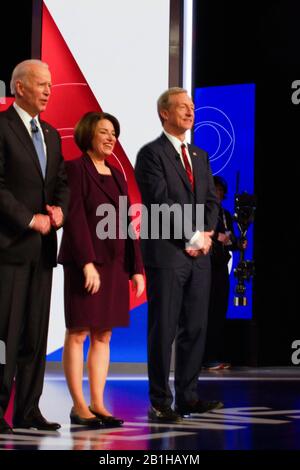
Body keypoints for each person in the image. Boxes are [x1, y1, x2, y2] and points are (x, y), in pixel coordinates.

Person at [135, 87, 223, 422]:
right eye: (182, 107)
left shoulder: (199, 155)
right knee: (164, 329)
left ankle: (188, 397)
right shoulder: (151, 155)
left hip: (199, 257)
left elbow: (212, 201)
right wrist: (193, 234)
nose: (189, 112)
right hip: (168, 254)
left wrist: (207, 235)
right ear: (164, 113)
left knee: (196, 327)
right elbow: (160, 202)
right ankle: (160, 402)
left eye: (191, 107)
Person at [58, 111, 145, 427]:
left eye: (114, 133)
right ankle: (78, 405)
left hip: (115, 264)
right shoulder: (75, 169)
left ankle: (97, 402)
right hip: (87, 263)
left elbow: (126, 221)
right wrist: (86, 263)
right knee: (78, 331)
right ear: (88, 135)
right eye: (104, 132)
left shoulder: (118, 174)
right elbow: (76, 218)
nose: (111, 138)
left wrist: (136, 267)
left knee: (104, 334)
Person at [0, 59, 69, 433]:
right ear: (19, 87)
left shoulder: (53, 135)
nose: (47, 91)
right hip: (10, 248)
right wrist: (30, 219)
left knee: (34, 334)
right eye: (41, 84)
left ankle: (28, 409)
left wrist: (60, 212)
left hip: (43, 252)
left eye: (50, 85)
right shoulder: (2, 127)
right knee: (4, 336)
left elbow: (61, 183)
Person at [203, 176, 247, 371]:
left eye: (221, 191)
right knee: (204, 314)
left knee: (218, 313)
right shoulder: (201, 213)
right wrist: (214, 237)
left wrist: (238, 244)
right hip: (204, 268)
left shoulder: (226, 215)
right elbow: (193, 236)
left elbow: (229, 240)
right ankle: (201, 358)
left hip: (221, 269)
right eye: (215, 190)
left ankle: (212, 356)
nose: (218, 194)